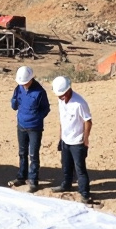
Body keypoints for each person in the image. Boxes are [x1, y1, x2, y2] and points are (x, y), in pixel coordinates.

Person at [51, 76, 95, 204]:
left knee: (80, 169)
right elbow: (62, 121)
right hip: (65, 140)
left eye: (62, 94)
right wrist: (60, 138)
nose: (60, 97)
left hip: (77, 142)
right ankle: (66, 184)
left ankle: (85, 194)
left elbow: (88, 121)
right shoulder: (61, 100)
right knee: (66, 165)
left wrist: (85, 140)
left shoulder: (79, 103)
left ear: (68, 90)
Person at [8, 66, 51, 191]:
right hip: (21, 125)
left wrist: (37, 118)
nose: (24, 85)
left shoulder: (40, 92)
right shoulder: (19, 88)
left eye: (25, 82)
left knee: (33, 154)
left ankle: (33, 180)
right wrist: (14, 101)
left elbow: (46, 108)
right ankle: (21, 176)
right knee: (22, 153)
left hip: (35, 128)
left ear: (31, 79)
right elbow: (14, 105)